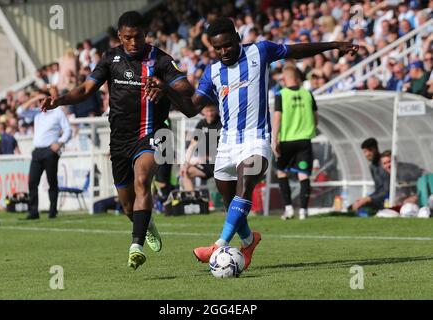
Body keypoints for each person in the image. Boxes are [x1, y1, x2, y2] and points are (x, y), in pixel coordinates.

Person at [147, 17, 358, 269]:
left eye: (227, 45)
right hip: (226, 143)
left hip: (256, 138)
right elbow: (192, 109)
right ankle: (249, 241)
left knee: (245, 183)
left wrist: (334, 45)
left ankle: (218, 245)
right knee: (231, 203)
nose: (223, 52)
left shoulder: (260, 51)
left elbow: (296, 50)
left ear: (237, 37)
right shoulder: (213, 72)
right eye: (218, 48)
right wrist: (166, 90)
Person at [41, 11, 196, 270]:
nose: (133, 42)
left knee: (142, 180)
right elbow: (85, 89)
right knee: (127, 204)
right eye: (127, 38)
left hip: (153, 133)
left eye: (138, 37)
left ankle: (135, 246)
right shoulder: (110, 59)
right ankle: (145, 223)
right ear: (119, 37)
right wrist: (59, 101)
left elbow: (186, 89)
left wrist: (164, 87)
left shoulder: (160, 60)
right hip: (120, 140)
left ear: (146, 34)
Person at [271, 65, 319, 220]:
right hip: (304, 140)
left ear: (284, 78)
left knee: (281, 172)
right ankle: (304, 211)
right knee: (303, 175)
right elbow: (316, 118)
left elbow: (277, 118)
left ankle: (289, 208)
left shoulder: (281, 94)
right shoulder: (308, 94)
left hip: (286, 141)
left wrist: (274, 139)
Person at [26, 86, 72, 220]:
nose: (39, 102)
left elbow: (68, 130)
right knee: (32, 182)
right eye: (38, 100)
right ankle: (33, 211)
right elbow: (20, 110)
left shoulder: (57, 112)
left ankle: (53, 211)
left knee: (52, 181)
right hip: (37, 151)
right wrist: (35, 98)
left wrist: (60, 142)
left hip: (50, 151)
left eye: (41, 99)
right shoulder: (37, 113)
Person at [180, 104, 222, 191]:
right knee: (186, 172)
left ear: (217, 110)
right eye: (207, 111)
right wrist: (186, 163)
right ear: (203, 112)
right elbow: (192, 145)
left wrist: (207, 157)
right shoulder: (201, 124)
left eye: (212, 111)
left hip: (220, 163)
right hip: (206, 163)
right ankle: (192, 200)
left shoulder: (222, 124)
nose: (210, 114)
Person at [351, 138, 389, 212]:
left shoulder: (386, 164)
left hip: (388, 201)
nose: (366, 154)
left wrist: (368, 199)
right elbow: (378, 190)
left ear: (375, 149)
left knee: (361, 209)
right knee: (352, 207)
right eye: (364, 152)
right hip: (379, 200)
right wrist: (366, 198)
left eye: (367, 151)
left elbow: (387, 191)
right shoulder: (372, 166)